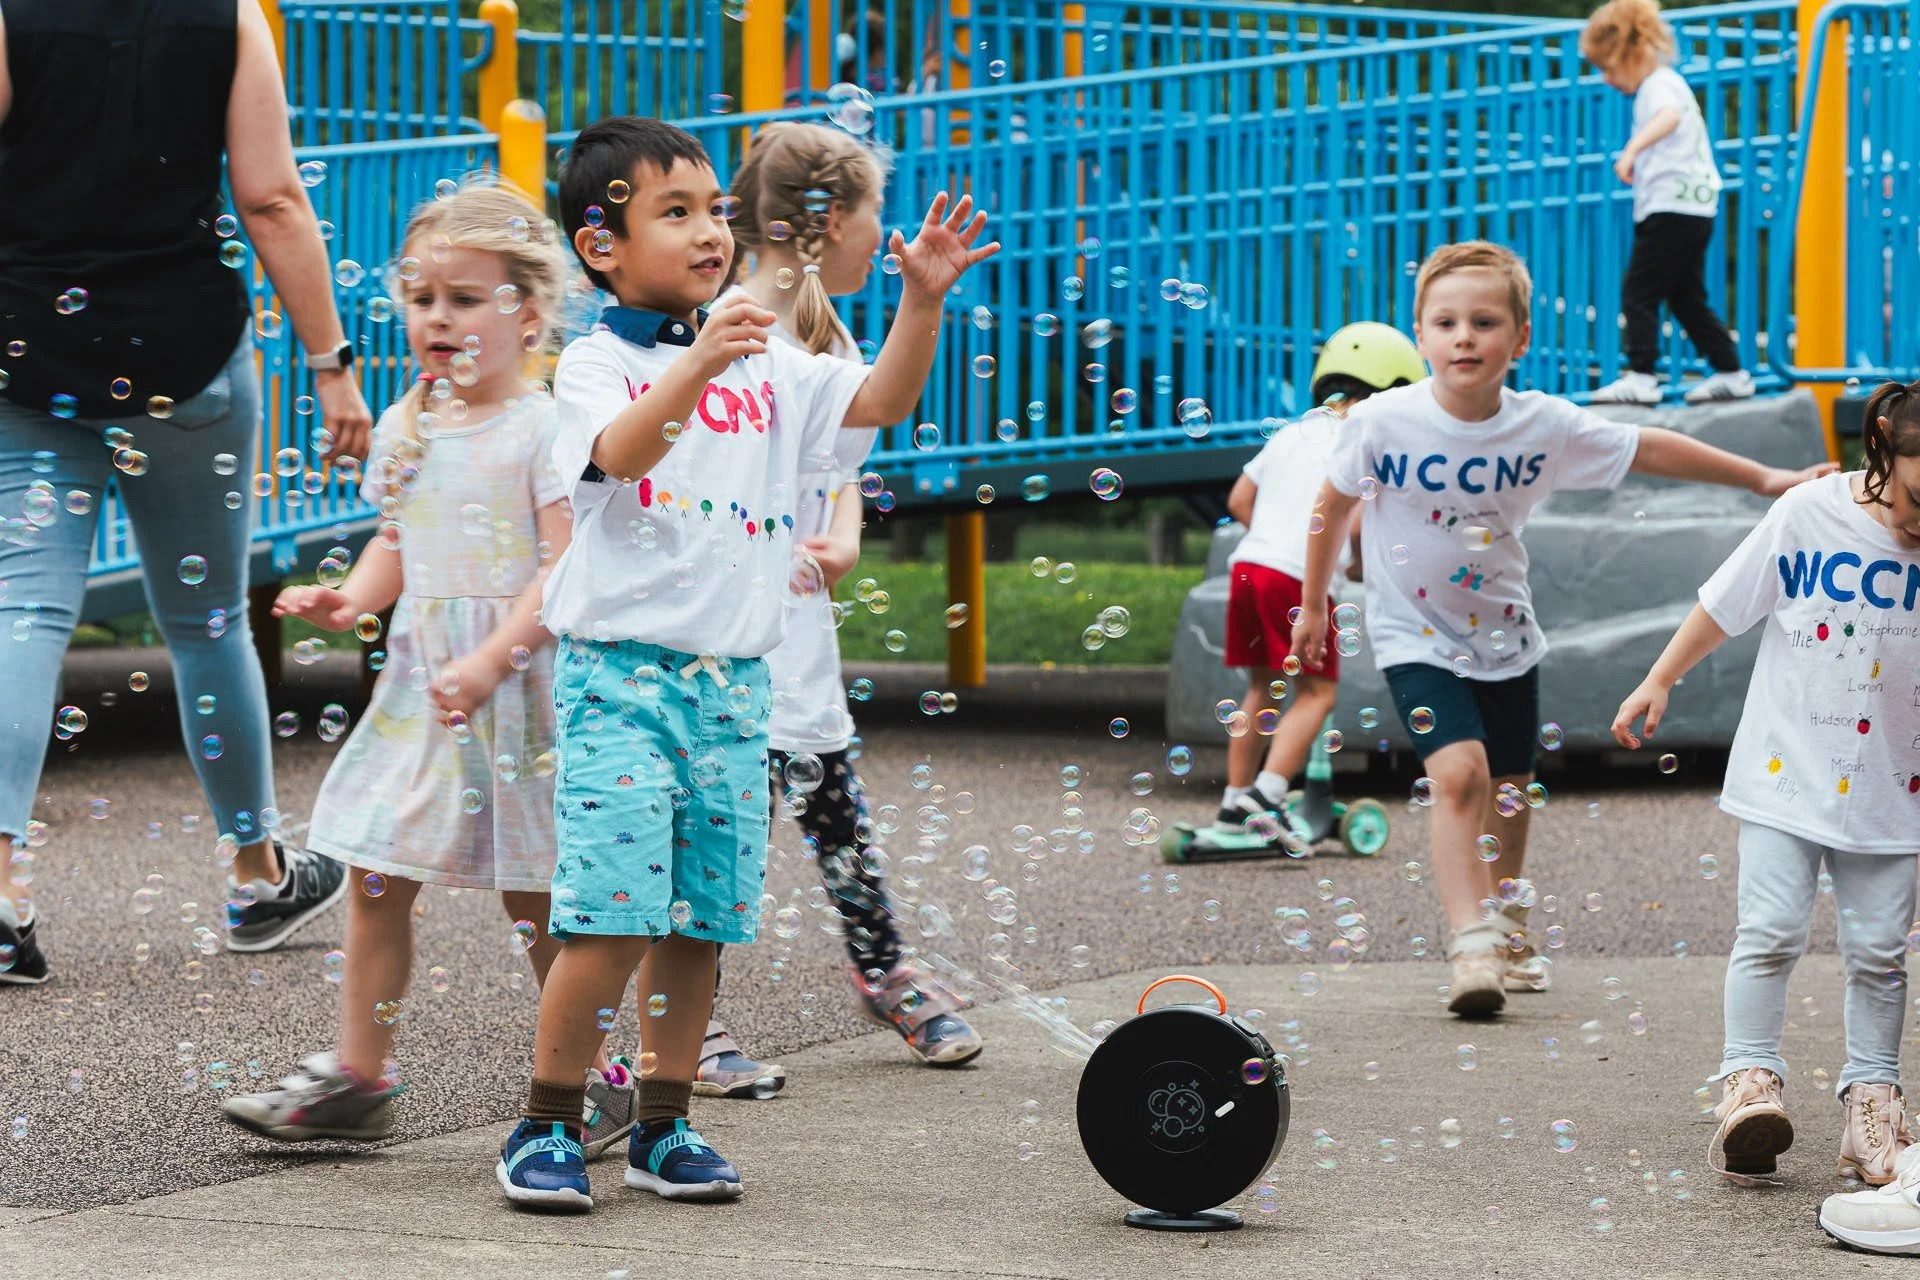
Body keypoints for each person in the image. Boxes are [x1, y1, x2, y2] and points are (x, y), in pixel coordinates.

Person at [494, 116, 996, 1210]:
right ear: (600, 245)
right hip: (620, 675)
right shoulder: (592, 363)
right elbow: (618, 456)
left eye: (716, 209)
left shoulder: (773, 359)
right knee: (614, 913)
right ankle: (548, 1119)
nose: (709, 230)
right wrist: (705, 358)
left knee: (699, 918)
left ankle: (667, 1126)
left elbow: (876, 403)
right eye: (674, 212)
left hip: (733, 685)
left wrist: (921, 302)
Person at [1289, 240, 1830, 1019]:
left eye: (1483, 321)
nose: (1464, 336)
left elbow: (1651, 448)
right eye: (1444, 322)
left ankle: (1506, 918)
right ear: (1421, 336)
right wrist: (1313, 603)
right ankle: (1469, 940)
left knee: (1509, 795)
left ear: (1520, 340)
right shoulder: (1382, 423)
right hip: (1416, 635)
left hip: (1507, 635)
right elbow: (1331, 506)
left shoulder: (1541, 425)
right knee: (1461, 777)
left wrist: (1763, 478)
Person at [216, 180, 635, 1150]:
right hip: (422, 690)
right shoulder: (409, 423)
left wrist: (496, 654)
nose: (435, 318)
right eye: (421, 297)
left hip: (520, 686)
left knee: (538, 893)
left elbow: (561, 561)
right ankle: (359, 1073)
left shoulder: (540, 428)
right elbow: (398, 538)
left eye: (462, 298)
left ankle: (600, 1074)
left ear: (527, 314)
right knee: (371, 870)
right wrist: (351, 598)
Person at [0, 0, 372, 986]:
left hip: (29, 346)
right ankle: (257, 873)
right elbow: (272, 200)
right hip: (186, 356)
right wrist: (333, 363)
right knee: (208, 621)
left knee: (25, 607)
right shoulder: (229, 16)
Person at [666, 121, 984, 1099]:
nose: (880, 240)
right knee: (722, 830)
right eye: (876, 220)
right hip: (713, 630)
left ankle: (882, 970)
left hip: (791, 621)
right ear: (833, 219)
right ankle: (691, 1020)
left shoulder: (825, 333)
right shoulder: (719, 331)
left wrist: (920, 301)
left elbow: (847, 440)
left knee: (831, 802)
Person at [1612, 379, 1920, 1201]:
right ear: (1885, 444)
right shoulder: (1808, 514)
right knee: (1771, 931)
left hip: (1897, 786)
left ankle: (1872, 1106)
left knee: (1881, 957)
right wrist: (1659, 679)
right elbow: (1726, 604)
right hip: (1786, 773)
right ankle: (1748, 1086)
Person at [1215, 322, 1428, 833]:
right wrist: (1352, 564)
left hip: (1248, 568)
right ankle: (1267, 796)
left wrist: (1274, 537)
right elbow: (1353, 523)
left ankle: (1233, 799)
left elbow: (1238, 501)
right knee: (1317, 693)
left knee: (1261, 690)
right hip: (1296, 580)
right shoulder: (1369, 441)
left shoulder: (1292, 432)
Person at [1582, 0, 1753, 406]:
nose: (1606, 80)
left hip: (1673, 209)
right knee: (1686, 298)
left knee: (1638, 292)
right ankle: (1732, 371)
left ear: (1630, 54)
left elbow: (1669, 117)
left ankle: (1641, 376)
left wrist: (1631, 151)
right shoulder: (1663, 83)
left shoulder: (1658, 85)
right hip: (1691, 209)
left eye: (1608, 68)